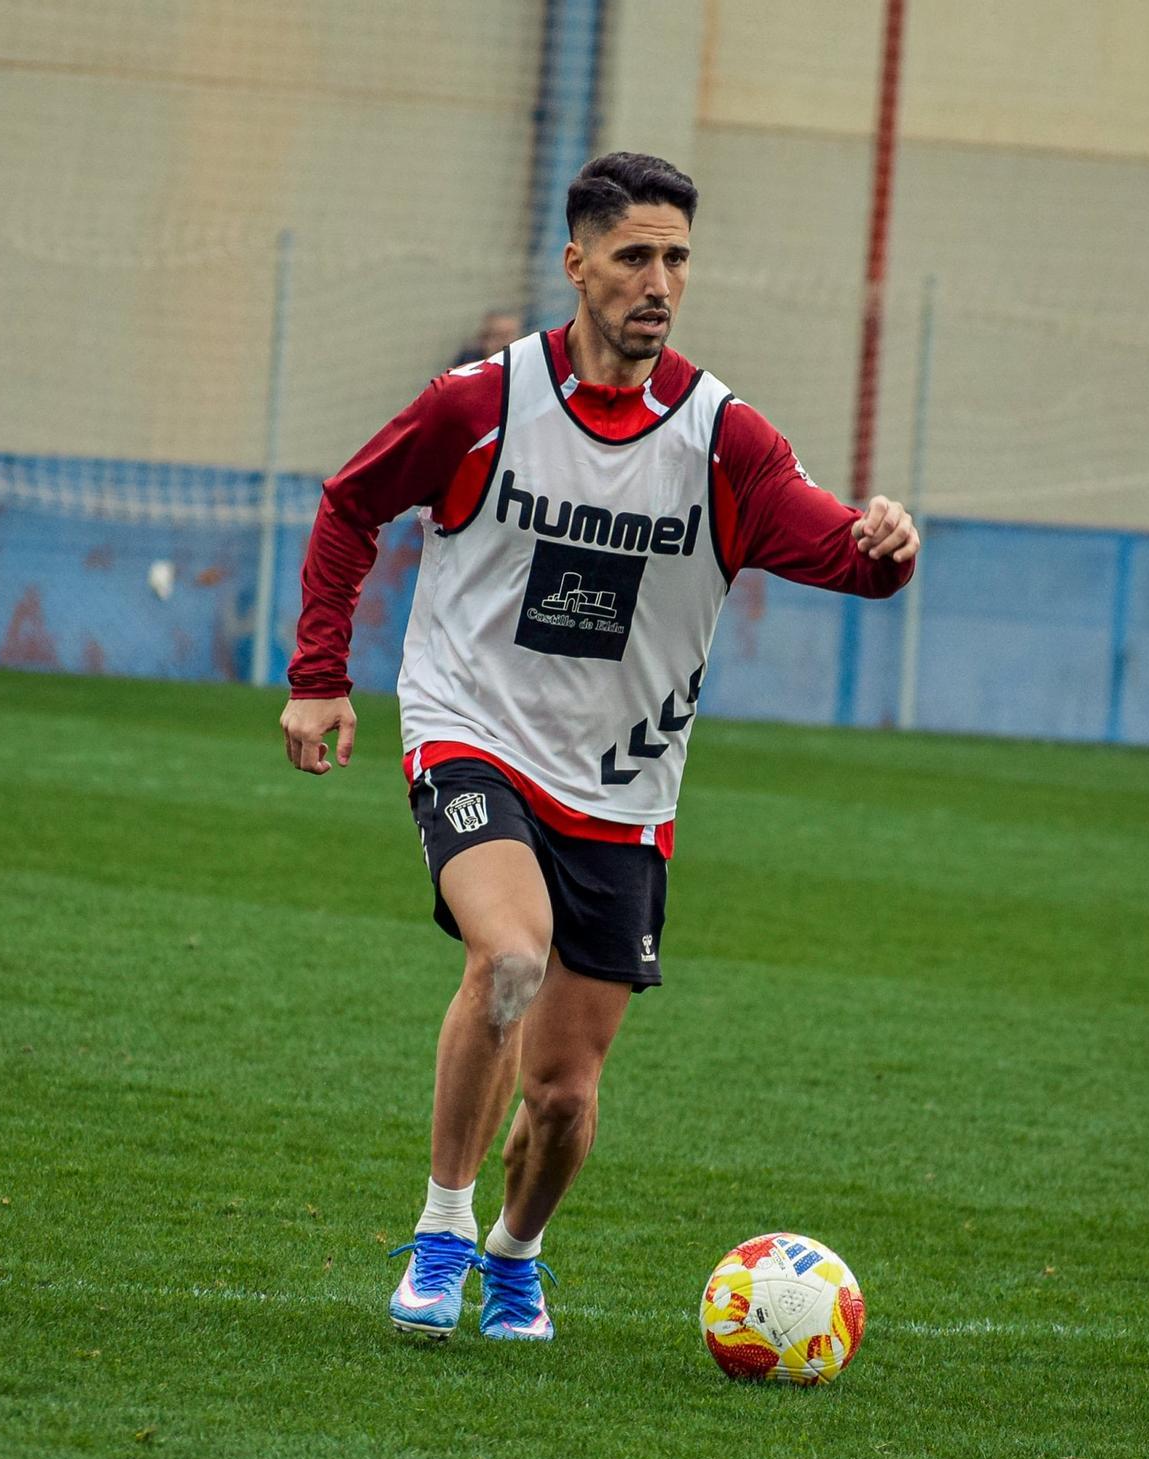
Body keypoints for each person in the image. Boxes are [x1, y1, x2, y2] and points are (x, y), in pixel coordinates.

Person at [281, 152, 919, 1344]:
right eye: (634, 255)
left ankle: (517, 1255)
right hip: (472, 735)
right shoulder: (479, 404)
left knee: (566, 1098)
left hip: (623, 789)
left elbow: (845, 559)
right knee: (509, 958)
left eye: (676, 257)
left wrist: (887, 544)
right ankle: (440, 1227)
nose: (659, 280)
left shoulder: (726, 439)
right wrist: (320, 677)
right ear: (576, 263)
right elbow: (348, 503)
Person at [451, 308, 522, 369]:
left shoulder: (524, 363)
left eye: (507, 336)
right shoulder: (468, 362)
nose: (503, 343)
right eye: (496, 335)